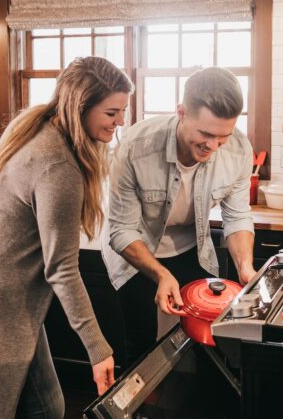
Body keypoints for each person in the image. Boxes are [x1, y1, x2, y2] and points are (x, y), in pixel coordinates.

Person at [0, 57, 133, 418]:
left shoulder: (36, 125)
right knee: (26, 406)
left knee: (43, 403)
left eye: (122, 112)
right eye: (112, 112)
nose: (120, 122)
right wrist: (99, 350)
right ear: (80, 106)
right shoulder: (58, 165)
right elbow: (63, 270)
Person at [102, 67, 256, 365]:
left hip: (193, 249)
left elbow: (237, 217)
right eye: (205, 134)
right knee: (142, 346)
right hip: (137, 252)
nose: (212, 146)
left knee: (211, 343)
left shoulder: (238, 149)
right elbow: (121, 229)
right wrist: (161, 274)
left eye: (222, 136)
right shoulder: (135, 147)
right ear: (181, 112)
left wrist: (245, 267)